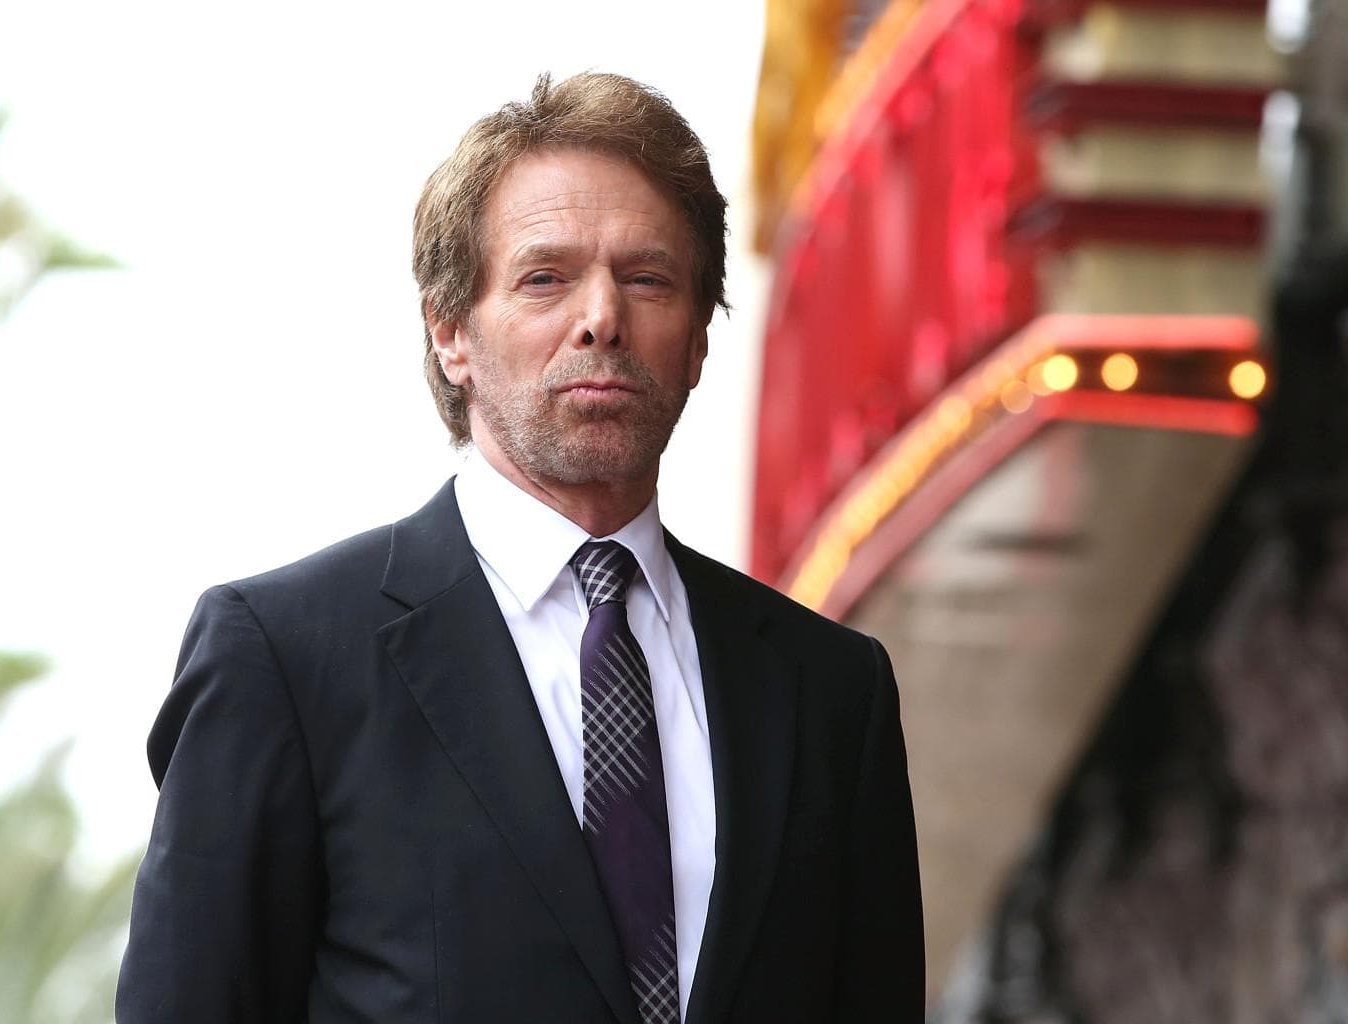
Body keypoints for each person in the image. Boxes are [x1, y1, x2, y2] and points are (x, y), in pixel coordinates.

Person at [116, 72, 923, 1024]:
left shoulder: (833, 692)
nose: (602, 316)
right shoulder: (283, 657)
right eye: (545, 278)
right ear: (450, 331)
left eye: (648, 278)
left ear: (699, 339)